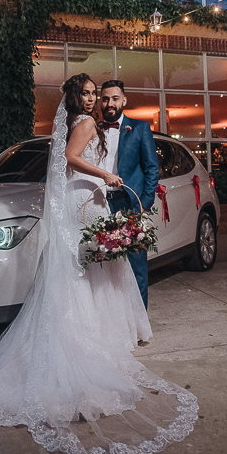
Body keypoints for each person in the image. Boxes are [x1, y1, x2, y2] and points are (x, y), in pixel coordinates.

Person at [0, 73, 197, 454]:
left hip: (84, 198)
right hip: (88, 196)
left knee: (91, 268)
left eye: (96, 94)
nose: (93, 99)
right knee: (91, 267)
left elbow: (76, 165)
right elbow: (71, 159)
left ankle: (99, 330)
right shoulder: (86, 122)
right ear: (77, 96)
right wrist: (104, 174)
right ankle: (95, 335)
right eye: (87, 93)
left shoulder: (77, 122)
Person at [98, 79, 159, 309]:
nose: (110, 103)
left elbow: (152, 168)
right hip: (99, 203)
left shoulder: (140, 128)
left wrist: (144, 203)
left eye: (115, 98)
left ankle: (139, 321)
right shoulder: (92, 129)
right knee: (102, 264)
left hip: (128, 203)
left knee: (136, 266)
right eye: (105, 99)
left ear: (124, 100)